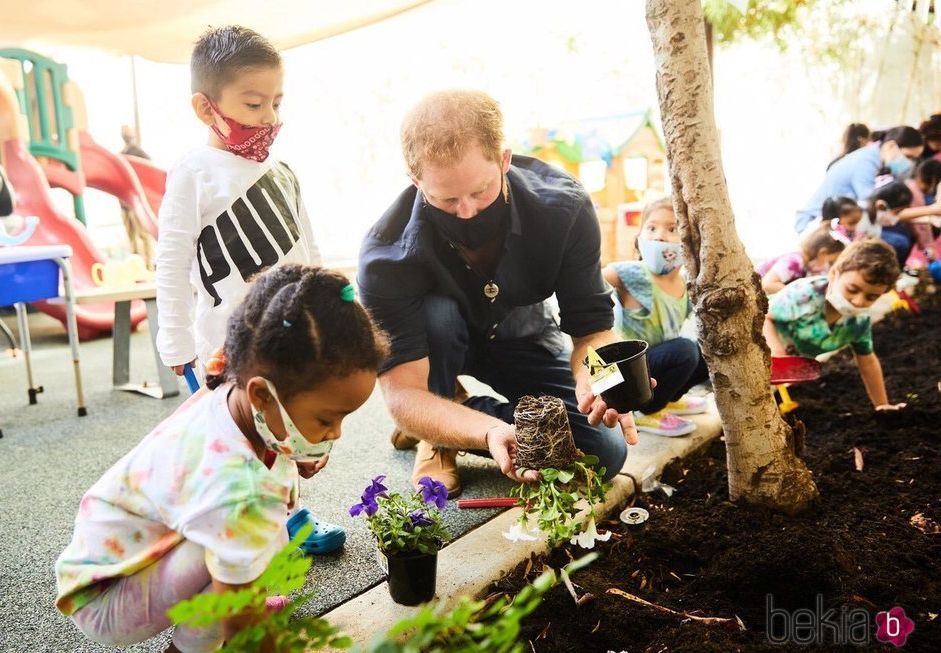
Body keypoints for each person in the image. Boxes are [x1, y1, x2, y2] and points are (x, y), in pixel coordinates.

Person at [55, 264, 389, 653]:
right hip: (105, 597)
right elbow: (245, 626)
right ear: (262, 395)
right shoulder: (239, 492)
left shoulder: (230, 385)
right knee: (250, 539)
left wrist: (294, 454)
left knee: (262, 531)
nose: (336, 433)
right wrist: (252, 618)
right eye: (326, 419)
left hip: (109, 559)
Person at [358, 89, 638, 498]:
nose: (468, 211)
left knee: (603, 453)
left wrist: (601, 380)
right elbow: (402, 392)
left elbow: (593, 332)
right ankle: (438, 436)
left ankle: (447, 416)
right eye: (446, 199)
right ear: (416, 181)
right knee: (438, 314)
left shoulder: (565, 210)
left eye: (481, 190)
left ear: (504, 161)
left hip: (521, 335)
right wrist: (488, 432)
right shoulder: (386, 255)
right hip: (436, 351)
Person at [154, 26, 338, 553]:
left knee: (287, 428)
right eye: (254, 103)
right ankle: (238, 529)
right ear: (205, 107)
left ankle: (292, 518)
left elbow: (310, 249)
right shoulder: (193, 173)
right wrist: (175, 339)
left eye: (277, 103)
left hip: (290, 332)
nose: (271, 118)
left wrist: (325, 310)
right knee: (237, 438)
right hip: (225, 343)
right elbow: (170, 259)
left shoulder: (283, 172)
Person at [602, 198, 709, 437]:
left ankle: (667, 400)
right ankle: (645, 412)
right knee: (685, 350)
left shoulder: (684, 284)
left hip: (655, 366)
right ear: (640, 235)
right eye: (651, 228)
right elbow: (592, 282)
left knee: (704, 352)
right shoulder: (634, 274)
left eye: (672, 229)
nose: (660, 236)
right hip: (628, 374)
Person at [763, 239, 905, 411]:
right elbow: (763, 316)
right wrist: (777, 353)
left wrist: (882, 405)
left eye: (871, 297)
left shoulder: (858, 321)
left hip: (788, 375)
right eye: (852, 289)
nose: (858, 301)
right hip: (756, 353)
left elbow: (867, 361)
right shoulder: (804, 294)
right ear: (834, 273)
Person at [795, 126, 923, 233]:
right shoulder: (865, 164)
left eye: (914, 159)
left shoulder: (875, 160)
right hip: (816, 225)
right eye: (908, 157)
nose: (910, 163)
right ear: (891, 146)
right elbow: (874, 209)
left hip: (843, 220)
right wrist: (930, 211)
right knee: (898, 242)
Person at [756, 227, 847, 294]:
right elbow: (767, 284)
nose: (830, 265)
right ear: (822, 253)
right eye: (831, 262)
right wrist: (799, 294)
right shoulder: (794, 262)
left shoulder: (810, 267)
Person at [118, 125, 155, 268]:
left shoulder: (138, 153)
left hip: (136, 202)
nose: (126, 135)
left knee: (143, 235)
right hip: (124, 203)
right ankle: (137, 265)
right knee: (132, 236)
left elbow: (149, 167)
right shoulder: (121, 155)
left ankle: (148, 264)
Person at [898, 158, 941, 263]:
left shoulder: (908, 182)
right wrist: (929, 250)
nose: (931, 190)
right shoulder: (914, 192)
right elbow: (920, 227)